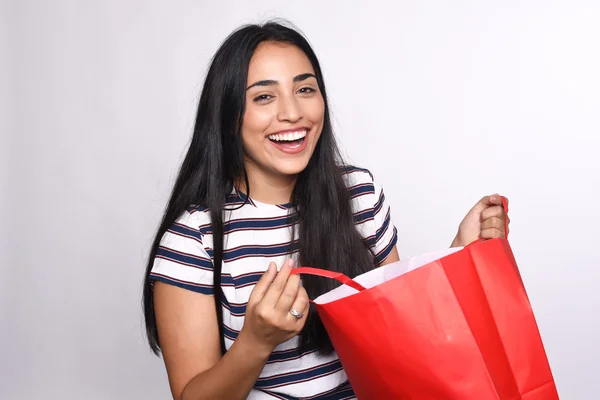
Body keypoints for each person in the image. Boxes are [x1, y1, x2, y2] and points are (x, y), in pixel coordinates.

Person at [142, 21, 509, 400]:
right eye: (264, 97)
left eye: (305, 89)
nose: (292, 113)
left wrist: (458, 252)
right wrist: (255, 342)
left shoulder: (358, 195)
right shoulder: (193, 238)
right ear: (228, 115)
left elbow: (402, 334)